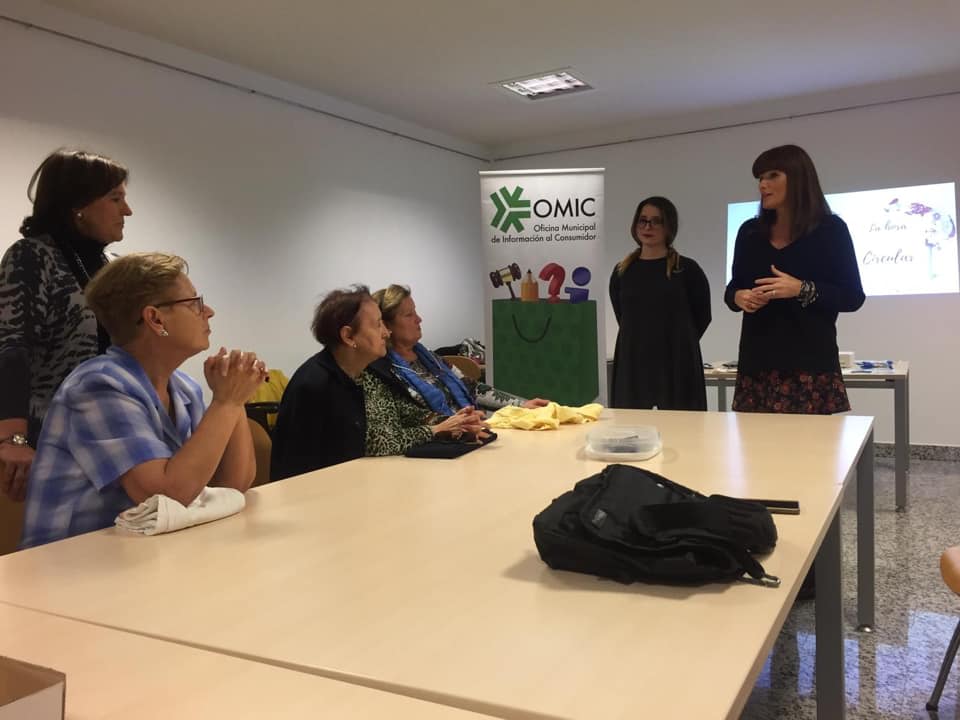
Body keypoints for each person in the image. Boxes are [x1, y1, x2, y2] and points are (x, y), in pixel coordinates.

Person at [20, 253, 265, 548]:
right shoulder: (98, 386)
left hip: (143, 555)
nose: (208, 311)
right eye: (194, 304)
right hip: (71, 568)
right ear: (155, 318)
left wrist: (233, 398)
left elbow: (231, 487)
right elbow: (165, 497)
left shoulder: (184, 390)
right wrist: (226, 401)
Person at [0, 149, 132, 502]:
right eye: (115, 198)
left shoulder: (112, 266)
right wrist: (13, 439)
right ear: (79, 205)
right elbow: (12, 348)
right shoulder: (32, 256)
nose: (127, 211)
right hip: (53, 437)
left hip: (111, 430)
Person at [271, 285, 485, 481]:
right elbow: (379, 441)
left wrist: (456, 422)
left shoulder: (365, 371)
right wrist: (436, 430)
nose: (386, 332)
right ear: (348, 336)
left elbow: (404, 412)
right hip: (319, 497)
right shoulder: (314, 385)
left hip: (357, 483)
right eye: (377, 325)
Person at [724, 144, 865, 414]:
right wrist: (738, 297)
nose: (763, 185)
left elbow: (852, 296)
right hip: (757, 365)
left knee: (814, 454)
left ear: (799, 178)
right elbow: (733, 288)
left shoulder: (831, 231)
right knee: (756, 453)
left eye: (772, 176)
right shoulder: (750, 232)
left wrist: (801, 289)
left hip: (810, 366)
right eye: (760, 178)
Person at [372, 284, 549, 414]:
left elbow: (472, 388)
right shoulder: (386, 372)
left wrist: (521, 405)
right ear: (387, 325)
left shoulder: (430, 358)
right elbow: (412, 420)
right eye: (409, 315)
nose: (419, 319)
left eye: (415, 311)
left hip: (472, 434)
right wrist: (459, 423)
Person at [609, 197, 711, 410]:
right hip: (633, 361)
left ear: (669, 227)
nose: (648, 226)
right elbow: (622, 316)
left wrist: (677, 340)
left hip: (677, 362)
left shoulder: (687, 269)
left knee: (683, 432)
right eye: (643, 220)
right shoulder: (622, 272)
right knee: (631, 432)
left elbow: (702, 316)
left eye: (656, 221)